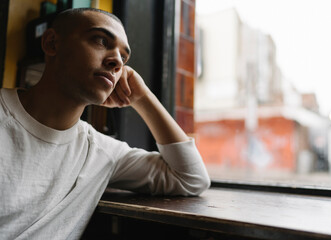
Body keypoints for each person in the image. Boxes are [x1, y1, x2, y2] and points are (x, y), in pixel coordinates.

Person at [0, 8, 210, 239]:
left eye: (124, 57)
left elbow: (191, 179)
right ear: (51, 43)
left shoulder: (101, 152)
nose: (117, 62)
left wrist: (142, 98)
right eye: (101, 40)